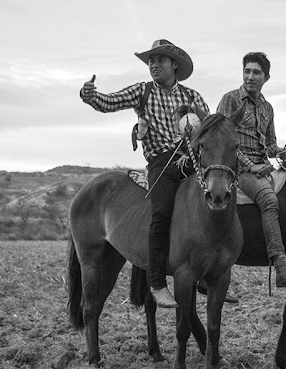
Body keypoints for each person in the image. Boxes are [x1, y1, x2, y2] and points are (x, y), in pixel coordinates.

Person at [80, 39, 210, 308]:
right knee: (161, 211)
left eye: (160, 60)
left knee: (215, 201)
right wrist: (91, 95)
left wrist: (197, 137)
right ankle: (158, 281)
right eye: (151, 61)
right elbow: (110, 102)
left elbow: (208, 128)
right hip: (162, 162)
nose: (154, 65)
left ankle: (209, 274)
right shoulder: (143, 92)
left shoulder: (192, 97)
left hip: (191, 160)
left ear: (174, 65)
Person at [217, 52, 286, 287]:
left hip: (262, 167)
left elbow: (268, 144)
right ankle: (280, 263)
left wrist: (277, 151)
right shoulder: (230, 100)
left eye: (256, 72)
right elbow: (222, 142)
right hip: (237, 168)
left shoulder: (267, 107)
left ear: (266, 77)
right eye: (247, 71)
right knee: (269, 199)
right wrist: (251, 166)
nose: (250, 76)